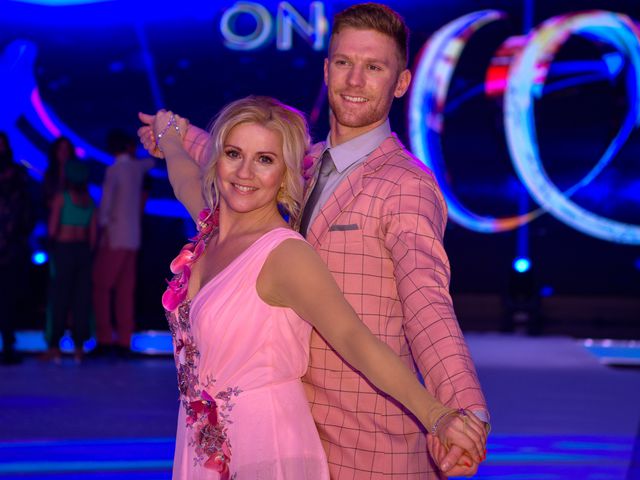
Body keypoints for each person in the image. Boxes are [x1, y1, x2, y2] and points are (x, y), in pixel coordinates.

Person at [139, 4, 489, 477]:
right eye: (344, 62)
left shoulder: (405, 186)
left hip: (370, 440)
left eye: (374, 67)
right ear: (326, 70)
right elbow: (242, 161)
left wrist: (462, 412)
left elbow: (427, 305)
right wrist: (176, 135)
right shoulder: (302, 164)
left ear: (402, 82)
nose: (355, 80)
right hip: (288, 425)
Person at [91, 130, 154, 357]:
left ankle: (105, 339)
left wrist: (102, 230)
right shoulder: (137, 167)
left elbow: (106, 205)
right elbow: (151, 162)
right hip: (133, 237)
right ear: (129, 146)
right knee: (125, 290)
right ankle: (124, 341)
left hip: (114, 236)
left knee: (101, 287)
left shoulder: (114, 170)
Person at [44, 158, 96, 364]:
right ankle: (79, 349)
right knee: (81, 299)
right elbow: (93, 235)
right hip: (83, 251)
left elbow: (51, 229)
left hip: (64, 250)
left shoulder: (62, 198)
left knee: (60, 298)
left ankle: (54, 348)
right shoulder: (89, 201)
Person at [0, 132, 33, 365]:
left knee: (9, 297)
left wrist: (19, 233)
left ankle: (9, 344)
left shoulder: (18, 174)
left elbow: (26, 209)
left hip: (12, 245)